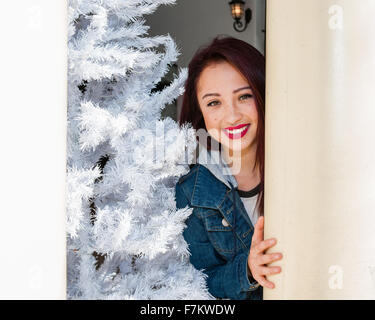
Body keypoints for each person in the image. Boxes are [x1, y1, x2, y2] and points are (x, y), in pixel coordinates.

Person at [175, 36, 283, 300]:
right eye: (214, 102)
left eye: (244, 96)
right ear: (201, 113)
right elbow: (201, 281)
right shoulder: (192, 191)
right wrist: (247, 269)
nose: (232, 115)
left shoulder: (300, 165)